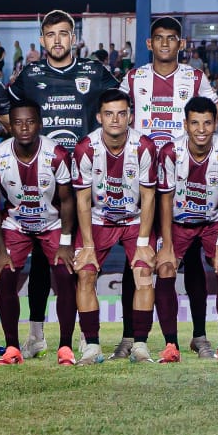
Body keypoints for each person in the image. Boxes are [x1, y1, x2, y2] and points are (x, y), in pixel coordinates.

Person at [120, 16, 218, 360]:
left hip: (187, 178)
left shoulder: (195, 78)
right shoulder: (134, 78)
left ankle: (200, 336)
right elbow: (114, 114)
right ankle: (130, 336)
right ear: (149, 44)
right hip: (142, 181)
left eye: (173, 38)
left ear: (181, 44)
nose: (166, 44)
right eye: (160, 38)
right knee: (139, 259)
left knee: (197, 266)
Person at [7, 10, 119, 358]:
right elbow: (8, 113)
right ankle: (37, 335)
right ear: (42, 40)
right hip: (42, 179)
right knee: (42, 262)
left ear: (74, 38)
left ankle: (86, 335)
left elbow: (120, 108)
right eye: (50, 34)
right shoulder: (30, 75)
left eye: (64, 34)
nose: (57, 40)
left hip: (85, 181)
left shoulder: (94, 72)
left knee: (78, 258)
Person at [0, 100, 79, 365]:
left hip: (53, 223)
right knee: (6, 274)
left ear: (40, 124)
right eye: (18, 122)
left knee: (64, 273)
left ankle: (65, 347)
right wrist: (0, 250)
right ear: (10, 126)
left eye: (30, 121)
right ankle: (12, 348)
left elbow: (68, 201)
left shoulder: (56, 155)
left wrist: (66, 242)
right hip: (16, 225)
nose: (24, 128)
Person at [73, 90, 159, 364]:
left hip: (134, 220)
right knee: (85, 274)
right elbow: (83, 201)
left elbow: (148, 198)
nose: (115, 119)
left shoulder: (144, 146)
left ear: (130, 116)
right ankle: (92, 347)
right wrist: (87, 246)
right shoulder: (86, 148)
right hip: (99, 220)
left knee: (144, 274)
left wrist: (144, 243)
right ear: (99, 117)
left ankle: (141, 345)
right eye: (109, 114)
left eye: (121, 113)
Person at [156, 97, 218, 362]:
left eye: (207, 123)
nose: (201, 129)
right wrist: (167, 245)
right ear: (185, 124)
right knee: (166, 267)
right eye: (195, 123)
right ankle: (171, 344)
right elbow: (166, 201)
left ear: (216, 124)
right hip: (179, 224)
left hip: (213, 223)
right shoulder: (171, 152)